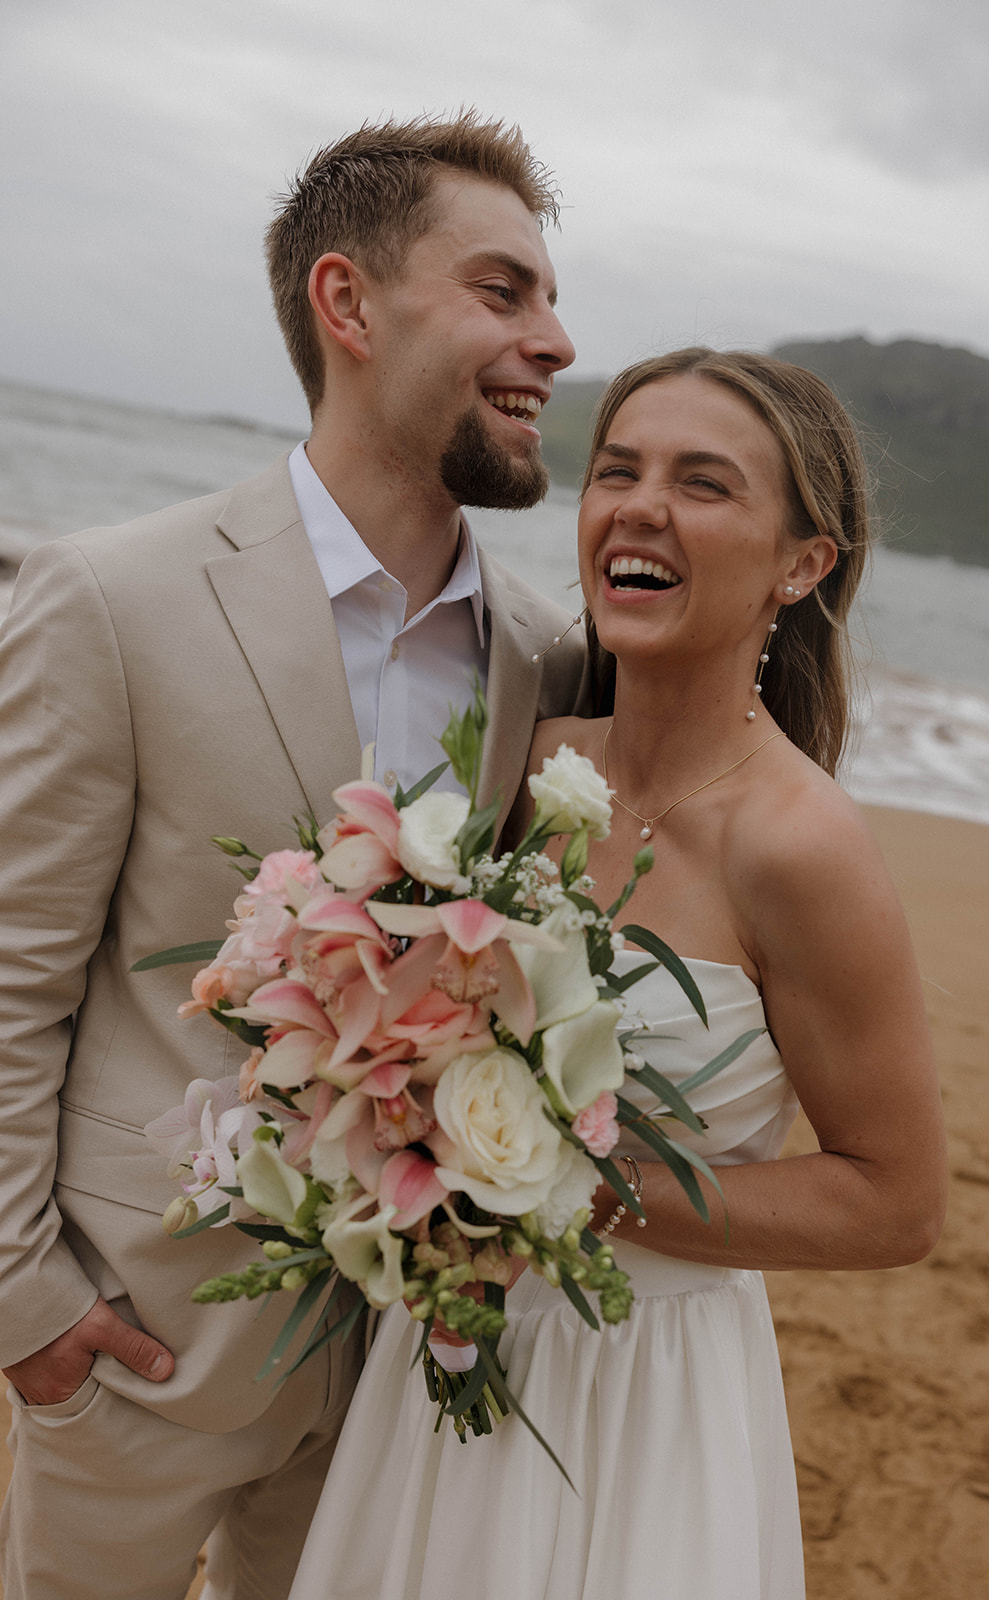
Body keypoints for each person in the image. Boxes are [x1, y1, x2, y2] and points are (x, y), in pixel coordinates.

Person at [0, 112, 586, 1600]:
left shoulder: (540, 661)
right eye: (503, 292)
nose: (557, 342)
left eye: (550, 300)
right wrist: (26, 1306)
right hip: (138, 1346)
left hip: (403, 1372)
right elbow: (13, 976)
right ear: (347, 303)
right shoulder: (108, 598)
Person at [287, 347, 948, 1600]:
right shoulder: (526, 764)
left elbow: (893, 1203)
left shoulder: (799, 845)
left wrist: (562, 1189)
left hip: (641, 1384)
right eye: (618, 470)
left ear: (802, 564)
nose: (640, 507)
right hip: (445, 1353)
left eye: (703, 484)